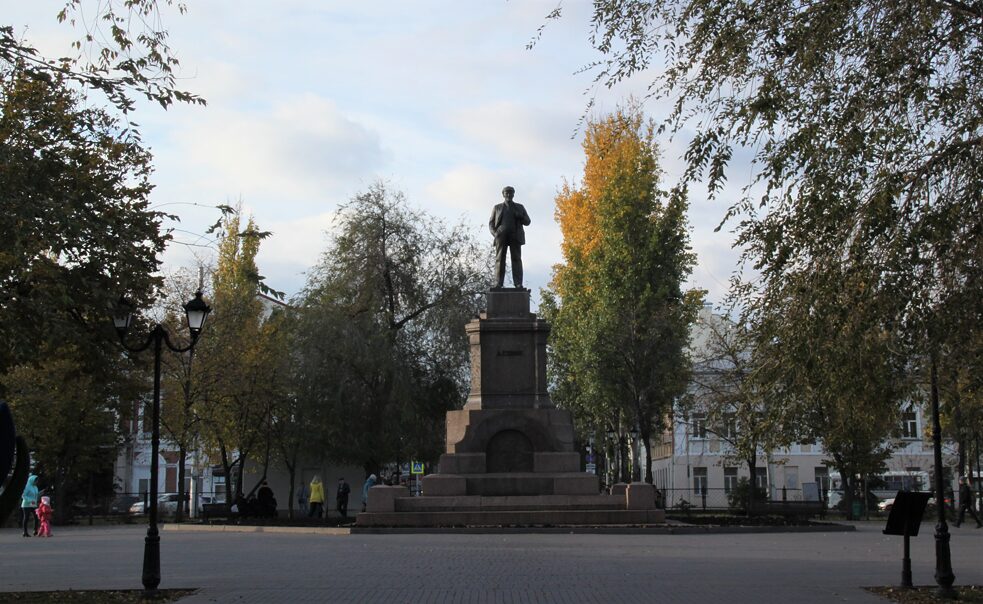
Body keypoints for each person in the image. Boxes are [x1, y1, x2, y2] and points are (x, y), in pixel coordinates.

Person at [488, 186, 531, 289]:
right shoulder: (497, 207)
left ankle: (518, 283)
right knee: (499, 259)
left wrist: (520, 216)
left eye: (510, 193)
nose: (508, 194)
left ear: (513, 194)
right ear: (503, 194)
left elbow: (528, 221)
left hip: (515, 235)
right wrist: (495, 234)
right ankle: (498, 283)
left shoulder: (520, 207)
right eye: (506, 193)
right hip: (501, 235)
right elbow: (491, 223)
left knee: (516, 259)